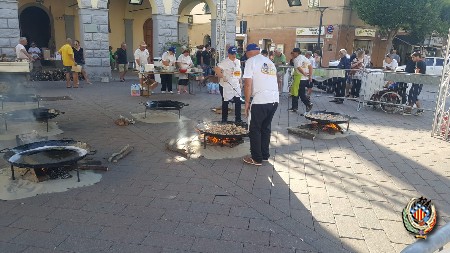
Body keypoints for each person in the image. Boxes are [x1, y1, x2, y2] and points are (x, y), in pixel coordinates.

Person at [242, 43, 279, 166]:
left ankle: (256, 158)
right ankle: (264, 155)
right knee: (265, 128)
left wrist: (247, 102)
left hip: (261, 100)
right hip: (274, 99)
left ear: (248, 52)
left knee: (255, 129)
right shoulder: (269, 61)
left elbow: (247, 83)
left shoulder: (250, 61)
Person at [214, 46, 242, 123]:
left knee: (238, 102)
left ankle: (238, 119)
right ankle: (224, 119)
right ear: (229, 54)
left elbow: (238, 72)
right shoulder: (224, 62)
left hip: (236, 84)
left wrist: (240, 81)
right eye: (232, 54)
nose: (234, 55)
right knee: (225, 102)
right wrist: (222, 76)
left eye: (235, 54)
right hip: (226, 85)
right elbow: (216, 69)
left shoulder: (238, 61)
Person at [289, 48, 313, 113]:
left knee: (299, 93)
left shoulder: (296, 59)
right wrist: (310, 76)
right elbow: (310, 67)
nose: (292, 54)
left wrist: (303, 73)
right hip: (304, 79)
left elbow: (299, 67)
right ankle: (294, 107)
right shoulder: (304, 58)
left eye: (293, 53)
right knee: (296, 92)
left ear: (296, 53)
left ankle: (308, 104)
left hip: (299, 78)